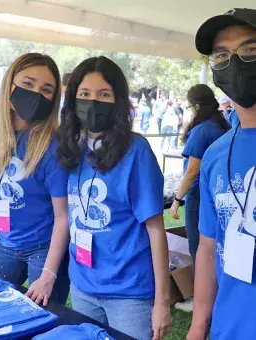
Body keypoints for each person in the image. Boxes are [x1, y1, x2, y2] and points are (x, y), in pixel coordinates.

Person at [56, 56, 171, 340]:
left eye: (103, 94)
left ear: (117, 100)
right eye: (84, 94)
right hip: (82, 285)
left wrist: (162, 302)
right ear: (72, 99)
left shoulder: (136, 151)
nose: (92, 102)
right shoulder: (73, 147)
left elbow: (155, 230)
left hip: (128, 294)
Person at [0, 53, 70, 306]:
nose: (35, 93)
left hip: (45, 246)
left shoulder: (52, 144)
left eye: (46, 89)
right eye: (28, 84)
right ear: (10, 83)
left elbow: (63, 216)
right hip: (6, 242)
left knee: (43, 317)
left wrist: (49, 274)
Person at [187, 8, 256, 340]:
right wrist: (199, 324)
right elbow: (207, 247)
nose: (236, 63)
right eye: (222, 55)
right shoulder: (216, 153)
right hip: (228, 327)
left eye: (250, 51)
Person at [170, 84, 230, 268]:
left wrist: (177, 199)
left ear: (195, 106)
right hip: (219, 192)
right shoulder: (224, 125)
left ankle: (201, 292)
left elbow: (192, 170)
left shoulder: (201, 130)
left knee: (198, 247)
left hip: (197, 195)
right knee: (217, 244)